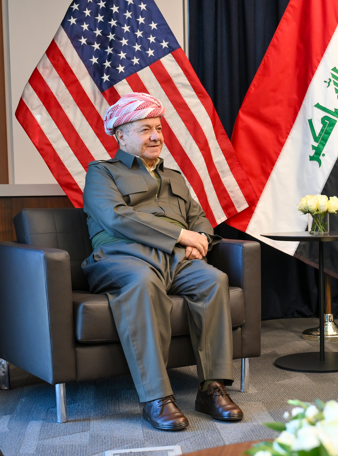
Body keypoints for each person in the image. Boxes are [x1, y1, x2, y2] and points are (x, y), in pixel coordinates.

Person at [82, 92, 243, 430]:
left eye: (158, 128)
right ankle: (157, 398)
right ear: (121, 136)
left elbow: (198, 218)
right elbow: (116, 218)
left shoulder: (174, 177)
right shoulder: (101, 172)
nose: (156, 136)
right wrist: (181, 236)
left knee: (214, 280)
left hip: (175, 260)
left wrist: (200, 242)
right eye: (145, 129)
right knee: (143, 282)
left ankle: (211, 388)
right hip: (121, 256)